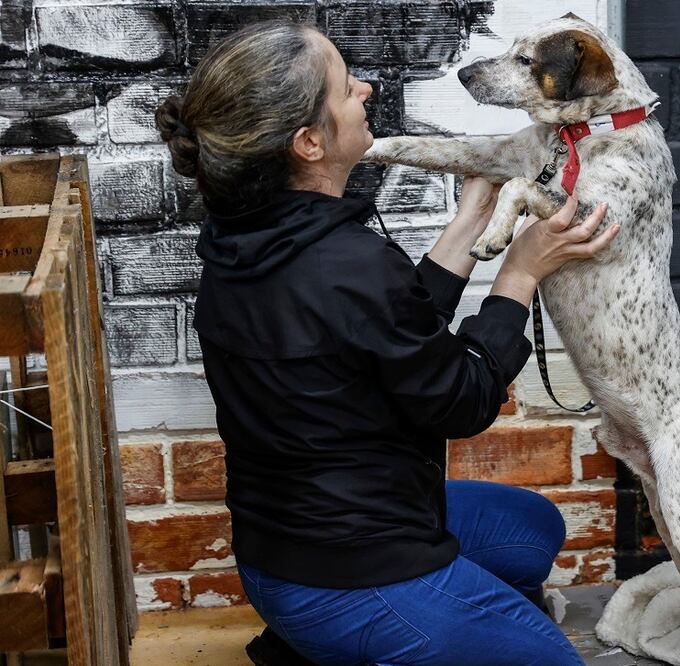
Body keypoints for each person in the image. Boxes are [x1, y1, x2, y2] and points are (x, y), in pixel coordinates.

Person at [154, 19, 618, 666]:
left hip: (282, 554)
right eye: (347, 88)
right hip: (349, 575)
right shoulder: (350, 265)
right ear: (310, 142)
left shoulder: (242, 242)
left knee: (531, 531)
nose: (367, 90)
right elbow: (463, 401)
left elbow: (381, 331)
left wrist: (470, 222)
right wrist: (521, 273)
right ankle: (361, 640)